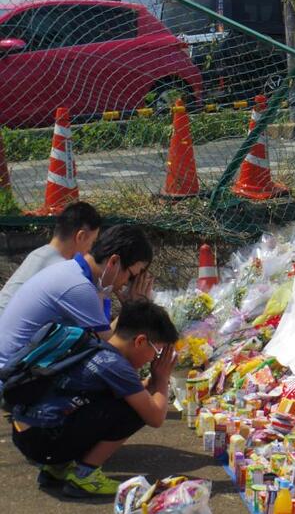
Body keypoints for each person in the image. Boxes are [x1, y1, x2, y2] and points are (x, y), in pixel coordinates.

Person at [9, 299, 178, 497]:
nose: (154, 359)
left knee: (126, 401)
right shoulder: (116, 366)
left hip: (27, 432)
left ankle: (57, 468)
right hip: (43, 442)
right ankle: (84, 475)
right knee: (135, 410)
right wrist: (163, 378)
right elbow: (155, 417)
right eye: (157, 352)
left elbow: (129, 393)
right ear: (140, 341)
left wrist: (152, 383)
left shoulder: (97, 346)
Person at [0, 224, 155, 368]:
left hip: (18, 368)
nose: (128, 284)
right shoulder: (79, 287)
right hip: (9, 378)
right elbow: (112, 351)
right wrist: (135, 308)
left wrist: (128, 309)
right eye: (131, 276)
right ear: (114, 261)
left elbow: (105, 336)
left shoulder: (75, 273)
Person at [0, 201, 102, 314]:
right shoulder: (62, 269)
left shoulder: (38, 253)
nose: (90, 248)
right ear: (81, 237)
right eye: (92, 241)